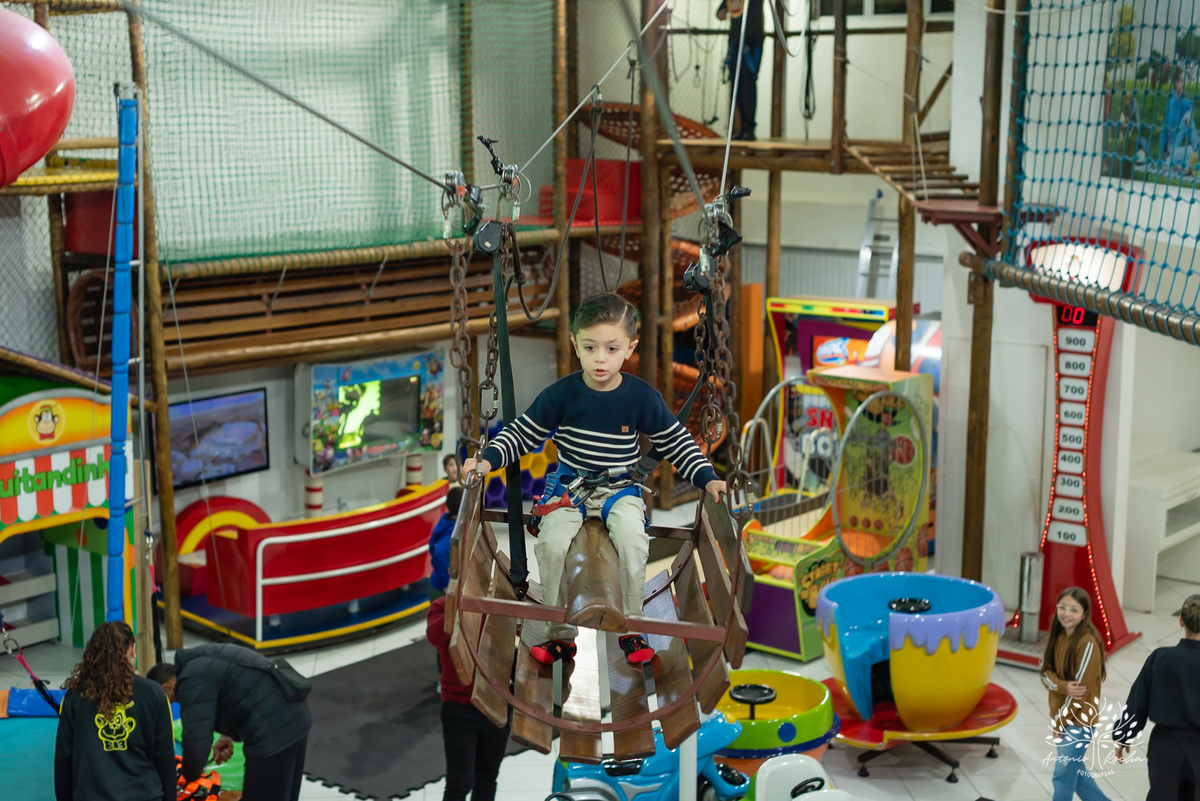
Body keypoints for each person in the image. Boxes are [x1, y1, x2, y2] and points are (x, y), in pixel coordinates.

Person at [464, 293, 726, 665]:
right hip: (569, 488)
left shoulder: (640, 397)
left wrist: (708, 478)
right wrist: (488, 460)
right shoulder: (562, 395)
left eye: (611, 348)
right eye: (590, 348)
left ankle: (632, 627)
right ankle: (560, 635)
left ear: (630, 348)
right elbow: (523, 433)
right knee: (551, 545)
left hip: (619, 489)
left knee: (633, 540)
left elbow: (676, 441)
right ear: (575, 345)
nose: (600, 358)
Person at [173, 643, 312, 801]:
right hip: (295, 712)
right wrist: (226, 735)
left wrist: (185, 778)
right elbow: (239, 685)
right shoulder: (202, 656)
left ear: (166, 688)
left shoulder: (190, 680)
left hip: (274, 731)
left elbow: (197, 746)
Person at [54, 621, 175, 801]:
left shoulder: (75, 696)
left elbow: (64, 761)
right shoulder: (153, 694)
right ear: (133, 650)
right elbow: (165, 758)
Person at [1113, 594, 1200, 800]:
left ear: (1181, 620)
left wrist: (1124, 735)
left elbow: (1137, 702)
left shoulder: (1160, 658)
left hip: (1165, 747)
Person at [426, 595, 510, 801]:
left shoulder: (499, 599)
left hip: (496, 705)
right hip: (458, 707)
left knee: (487, 777)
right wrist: (460, 604)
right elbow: (434, 636)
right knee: (459, 781)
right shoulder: (442, 606)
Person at [1039, 587, 1111, 801]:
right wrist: (1063, 686)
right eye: (1062, 607)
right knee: (1076, 776)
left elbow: (1079, 692)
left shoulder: (1087, 643)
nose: (1066, 614)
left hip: (1079, 721)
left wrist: (1061, 722)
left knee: (1063, 777)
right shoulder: (1059, 633)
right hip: (1062, 716)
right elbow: (1044, 671)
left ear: (1084, 614)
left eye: (1074, 609)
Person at [716, 0, 765, 140]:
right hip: (735, 40)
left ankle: (749, 128)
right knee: (736, 86)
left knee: (747, 83)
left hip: (751, 40)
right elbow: (720, 14)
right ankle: (743, 128)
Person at [428, 485, 464, 599]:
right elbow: (439, 554)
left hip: (435, 583)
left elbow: (432, 545)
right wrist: (447, 584)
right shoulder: (452, 534)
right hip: (440, 590)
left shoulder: (445, 521)